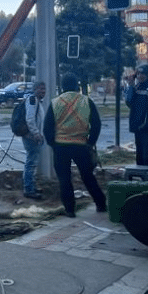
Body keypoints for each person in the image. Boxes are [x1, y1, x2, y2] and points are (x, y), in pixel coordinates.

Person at [43, 73, 106, 218]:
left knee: (64, 179)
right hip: (81, 146)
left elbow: (47, 128)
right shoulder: (86, 101)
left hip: (61, 146)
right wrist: (91, 142)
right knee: (88, 176)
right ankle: (101, 203)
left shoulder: (55, 103)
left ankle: (70, 210)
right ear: (76, 85)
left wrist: (52, 143)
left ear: (63, 86)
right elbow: (96, 124)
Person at [21, 81, 48, 200]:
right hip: (31, 137)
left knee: (32, 163)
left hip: (33, 136)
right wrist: (36, 134)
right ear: (35, 89)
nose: (43, 92)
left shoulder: (36, 101)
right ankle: (29, 189)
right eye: (41, 89)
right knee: (31, 163)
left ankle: (30, 186)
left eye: (44, 89)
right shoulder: (32, 100)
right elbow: (30, 119)